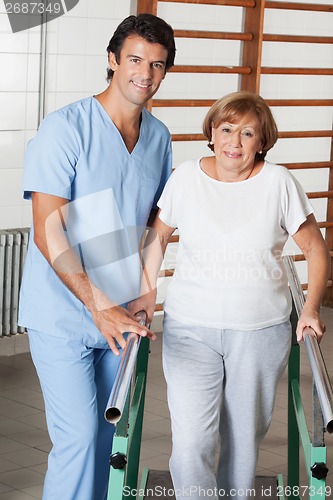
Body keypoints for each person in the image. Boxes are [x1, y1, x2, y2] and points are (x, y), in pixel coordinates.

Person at [129, 92, 330, 500]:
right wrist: (147, 294)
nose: (234, 142)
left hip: (259, 332)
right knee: (191, 442)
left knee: (241, 445)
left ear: (262, 142)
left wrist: (309, 308)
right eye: (226, 129)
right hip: (190, 328)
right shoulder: (186, 177)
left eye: (247, 133)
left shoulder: (279, 183)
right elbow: (158, 237)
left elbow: (315, 249)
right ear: (212, 133)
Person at [18, 13, 176, 500]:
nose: (144, 74)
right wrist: (96, 303)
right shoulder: (65, 128)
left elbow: (155, 225)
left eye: (156, 64)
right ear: (112, 60)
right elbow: (49, 229)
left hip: (124, 313)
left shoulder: (159, 137)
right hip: (63, 311)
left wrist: (147, 291)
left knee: (111, 441)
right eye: (134, 59)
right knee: (79, 438)